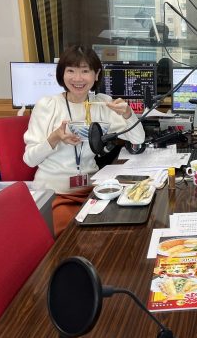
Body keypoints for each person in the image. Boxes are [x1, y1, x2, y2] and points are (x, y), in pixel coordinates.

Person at [24, 45, 145, 236]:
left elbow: (138, 138)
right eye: (71, 71)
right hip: (55, 193)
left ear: (96, 74)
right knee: (75, 236)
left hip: (93, 189)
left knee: (125, 226)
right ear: (62, 74)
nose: (78, 78)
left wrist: (128, 114)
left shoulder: (101, 104)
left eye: (85, 71)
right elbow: (30, 159)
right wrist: (54, 138)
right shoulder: (48, 105)